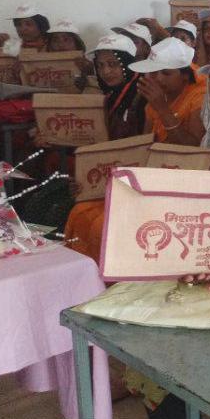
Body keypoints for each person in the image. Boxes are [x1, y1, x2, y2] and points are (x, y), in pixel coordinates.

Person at [63, 33, 148, 261]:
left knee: (96, 223)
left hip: (135, 181)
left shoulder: (141, 97)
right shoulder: (110, 97)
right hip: (109, 177)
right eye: (100, 66)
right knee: (78, 212)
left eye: (113, 64)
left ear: (128, 64)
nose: (106, 72)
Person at [130, 37, 206, 145]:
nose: (158, 78)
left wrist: (163, 109)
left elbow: (194, 147)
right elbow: (145, 143)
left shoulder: (200, 97)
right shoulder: (157, 95)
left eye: (166, 73)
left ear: (185, 76)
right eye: (153, 72)